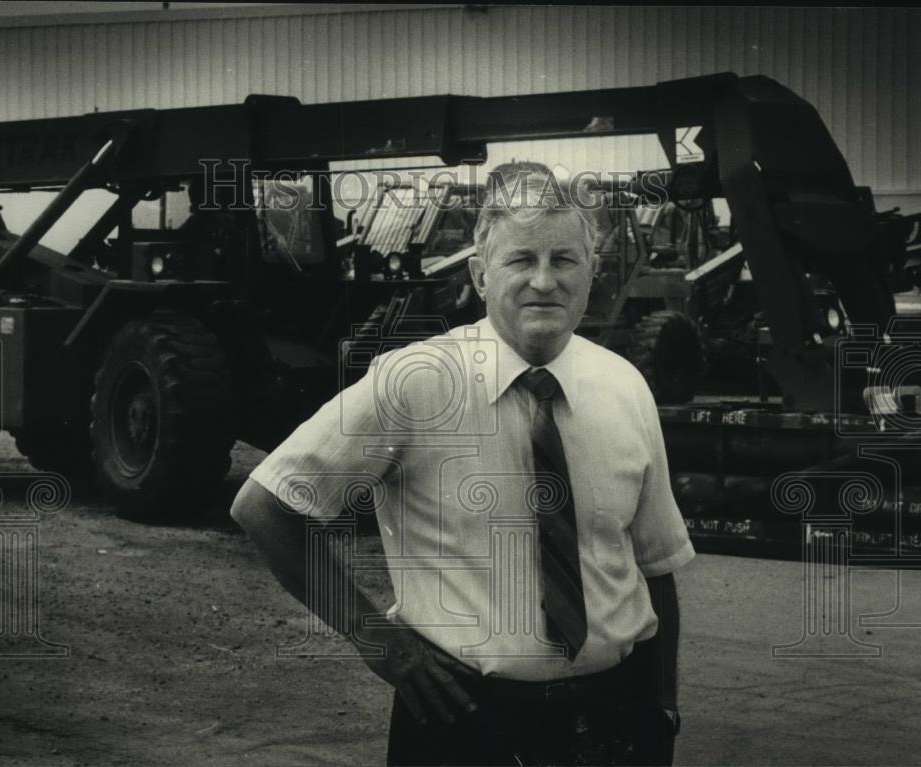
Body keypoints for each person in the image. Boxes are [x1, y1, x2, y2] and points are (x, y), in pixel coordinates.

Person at [231, 167, 695, 766]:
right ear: (480, 273)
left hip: (612, 719)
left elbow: (656, 567)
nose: (544, 281)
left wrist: (662, 710)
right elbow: (264, 505)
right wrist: (375, 637)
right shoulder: (415, 384)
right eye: (520, 260)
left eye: (565, 260)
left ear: (592, 272)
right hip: (465, 723)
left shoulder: (624, 386)